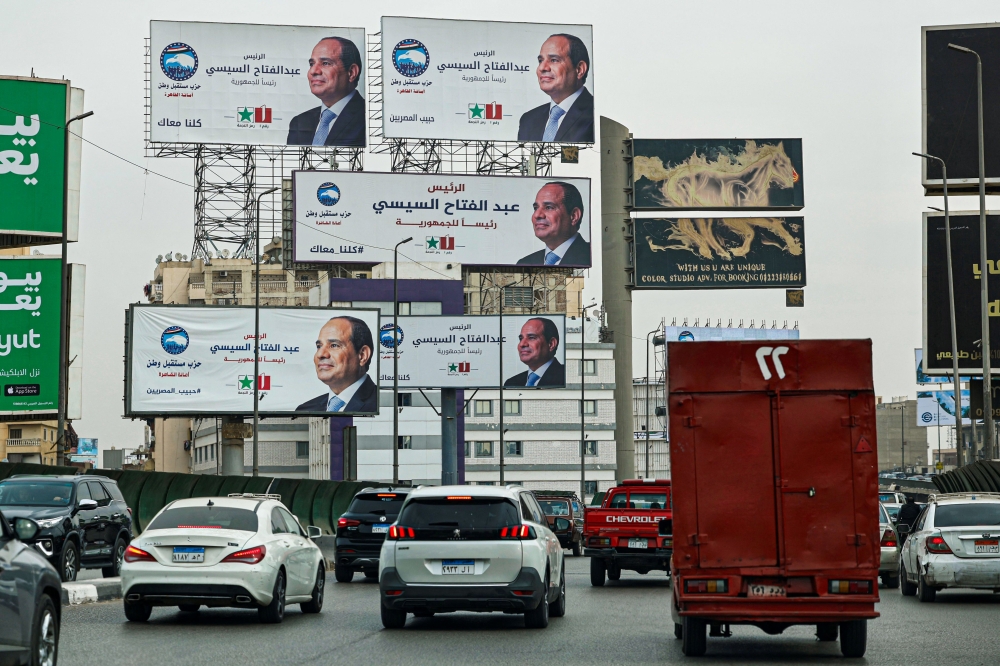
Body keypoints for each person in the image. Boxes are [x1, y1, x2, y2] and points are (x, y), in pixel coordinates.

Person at [287, 37, 366, 147]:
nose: (313, 71)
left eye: (325, 63)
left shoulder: (368, 118)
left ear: (352, 72)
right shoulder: (299, 122)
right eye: (312, 64)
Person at [517, 34, 594, 143]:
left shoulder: (596, 115)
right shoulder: (528, 120)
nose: (542, 68)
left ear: (579, 69)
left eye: (554, 60)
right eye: (540, 61)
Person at [296, 316, 377, 413]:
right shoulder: (304, 410)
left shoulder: (383, 405)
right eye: (319, 346)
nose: (320, 354)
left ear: (362, 355)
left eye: (334, 345)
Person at [517, 181, 591, 266]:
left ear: (574, 216)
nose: (537, 215)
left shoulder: (594, 256)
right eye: (536, 208)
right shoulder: (525, 263)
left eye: (549, 207)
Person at [504, 318, 564, 387]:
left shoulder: (565, 377)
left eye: (531, 337)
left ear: (551, 344)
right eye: (521, 338)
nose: (522, 344)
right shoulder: (511, 383)